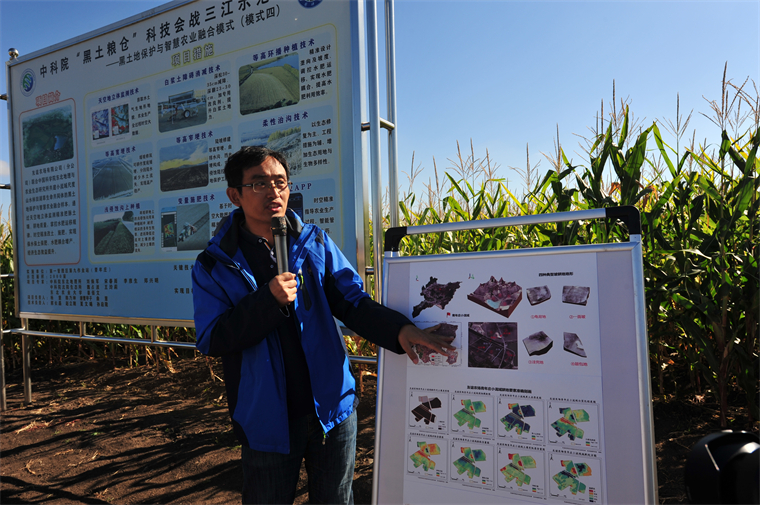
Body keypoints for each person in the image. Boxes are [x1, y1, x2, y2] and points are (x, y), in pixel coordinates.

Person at [191, 146, 454, 504]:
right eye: (258, 184)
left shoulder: (313, 241)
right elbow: (213, 338)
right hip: (266, 419)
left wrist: (399, 330)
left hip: (331, 410)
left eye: (280, 182)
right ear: (235, 195)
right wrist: (267, 300)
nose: (273, 192)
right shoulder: (214, 264)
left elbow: (352, 302)